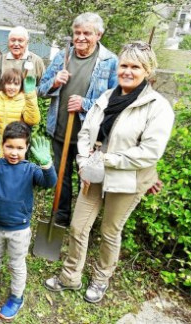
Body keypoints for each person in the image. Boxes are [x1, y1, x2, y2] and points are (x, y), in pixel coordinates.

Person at [43, 41, 174, 304]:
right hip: (94, 172)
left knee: (110, 232)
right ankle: (70, 276)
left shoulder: (157, 107)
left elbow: (150, 152)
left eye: (135, 67)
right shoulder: (105, 98)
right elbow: (85, 132)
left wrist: (106, 160)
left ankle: (101, 278)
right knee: (79, 227)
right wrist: (83, 159)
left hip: (127, 179)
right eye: (124, 65)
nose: (127, 71)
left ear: (147, 71)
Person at [39, 12, 119, 226]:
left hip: (90, 135)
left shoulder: (110, 61)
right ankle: (61, 219)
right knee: (61, 177)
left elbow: (115, 102)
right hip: (60, 128)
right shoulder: (63, 56)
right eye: (77, 33)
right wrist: (55, 82)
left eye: (87, 33)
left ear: (98, 35)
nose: (81, 37)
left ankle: (84, 224)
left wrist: (84, 103)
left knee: (88, 178)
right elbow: (41, 89)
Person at [0, 122, 57, 320]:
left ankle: (16, 297)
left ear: (27, 148)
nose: (14, 152)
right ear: (2, 145)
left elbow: (49, 183)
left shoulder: (31, 169)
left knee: (16, 264)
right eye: (9, 146)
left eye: (20, 148)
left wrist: (47, 165)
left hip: (19, 229)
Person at [0, 68, 40, 151]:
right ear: (3, 84)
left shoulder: (24, 99)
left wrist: (30, 95)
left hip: (15, 146)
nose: (12, 87)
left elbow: (33, 121)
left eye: (16, 84)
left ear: (21, 85)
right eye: (8, 83)